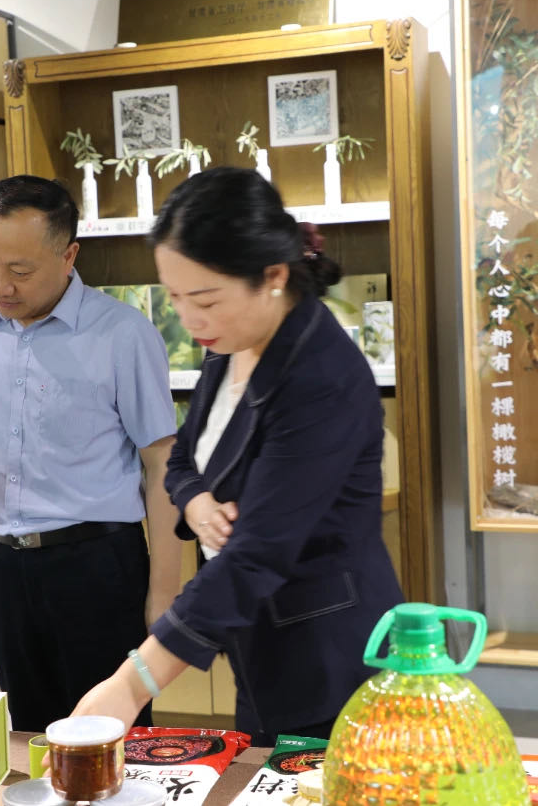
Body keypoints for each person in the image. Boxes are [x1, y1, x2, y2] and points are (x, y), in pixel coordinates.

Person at [72, 167, 404, 746]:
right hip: (258, 643)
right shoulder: (231, 341)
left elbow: (257, 554)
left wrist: (132, 684)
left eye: (203, 299)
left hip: (329, 658)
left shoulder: (319, 376)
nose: (187, 319)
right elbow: (183, 459)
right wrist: (195, 501)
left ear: (272, 276)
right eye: (175, 297)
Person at [0, 175, 178, 733]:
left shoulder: (123, 334)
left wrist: (165, 595)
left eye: (20, 270)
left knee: (113, 738)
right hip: (5, 567)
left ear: (69, 257)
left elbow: (161, 464)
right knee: (28, 736)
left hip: (98, 567)